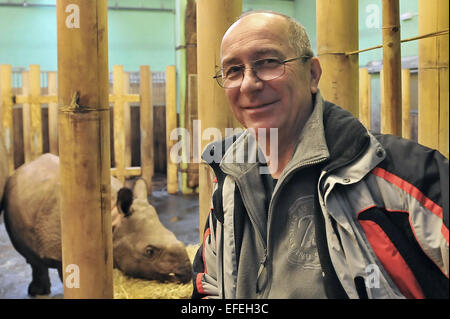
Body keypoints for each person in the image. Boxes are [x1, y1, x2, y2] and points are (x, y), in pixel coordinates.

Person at [192, 10, 449, 299]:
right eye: (233, 70)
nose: (249, 84)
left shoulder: (404, 177)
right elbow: (209, 285)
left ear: (312, 74)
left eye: (268, 63)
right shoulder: (228, 180)